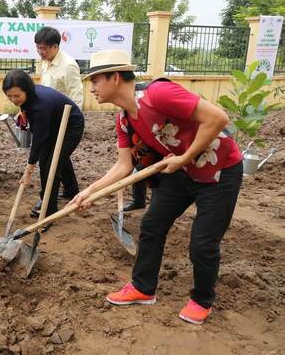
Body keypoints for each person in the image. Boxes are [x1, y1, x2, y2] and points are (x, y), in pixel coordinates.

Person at [69, 49, 243, 325]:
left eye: (95, 81)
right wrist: (88, 192)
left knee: (203, 242)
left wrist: (185, 157)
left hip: (219, 171)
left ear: (115, 78)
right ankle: (142, 287)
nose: (91, 89)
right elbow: (123, 166)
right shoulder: (124, 120)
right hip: (180, 171)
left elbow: (218, 118)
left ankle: (201, 300)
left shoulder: (158, 94)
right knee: (152, 226)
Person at [3, 70, 84, 229]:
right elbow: (40, 135)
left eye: (17, 96)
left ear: (27, 90)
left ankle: (49, 212)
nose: (13, 100)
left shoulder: (39, 106)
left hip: (71, 126)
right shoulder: (30, 98)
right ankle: (71, 191)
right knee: (56, 157)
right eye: (9, 96)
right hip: (53, 125)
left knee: (50, 167)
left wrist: (28, 170)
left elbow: (38, 141)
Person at [31, 27, 84, 216]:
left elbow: (77, 97)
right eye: (38, 48)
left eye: (43, 49)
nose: (40, 52)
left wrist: (67, 123)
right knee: (59, 155)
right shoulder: (45, 62)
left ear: (55, 46)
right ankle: (71, 191)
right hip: (51, 120)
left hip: (67, 123)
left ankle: (46, 202)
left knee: (50, 161)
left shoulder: (68, 65)